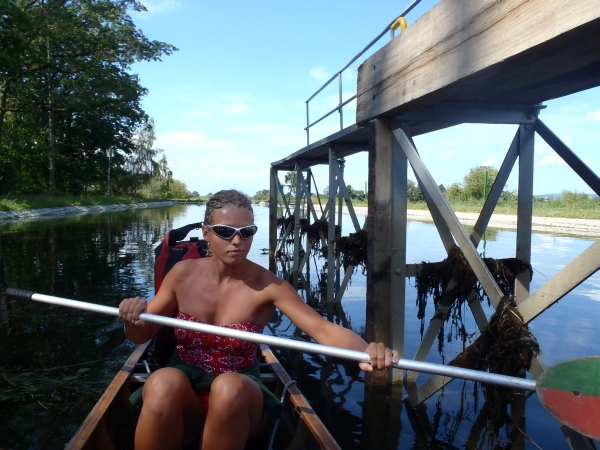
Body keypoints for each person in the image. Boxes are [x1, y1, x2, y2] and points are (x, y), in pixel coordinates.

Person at [119, 189, 399, 450]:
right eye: (225, 232)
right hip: (184, 395)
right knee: (162, 380)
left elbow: (323, 330)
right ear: (206, 233)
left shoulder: (269, 286)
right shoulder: (181, 274)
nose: (237, 241)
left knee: (227, 387)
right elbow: (141, 335)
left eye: (247, 232)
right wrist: (133, 317)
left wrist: (367, 349)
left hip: (241, 399)